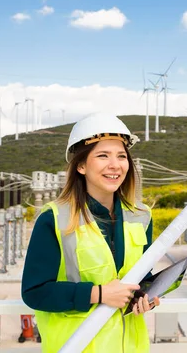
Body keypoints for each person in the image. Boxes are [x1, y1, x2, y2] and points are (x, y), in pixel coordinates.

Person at [22, 112, 160, 353]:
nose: (115, 165)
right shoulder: (54, 219)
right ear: (82, 165)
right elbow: (35, 292)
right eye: (103, 156)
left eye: (121, 156)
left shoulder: (141, 216)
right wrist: (98, 294)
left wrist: (146, 295)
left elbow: (140, 277)